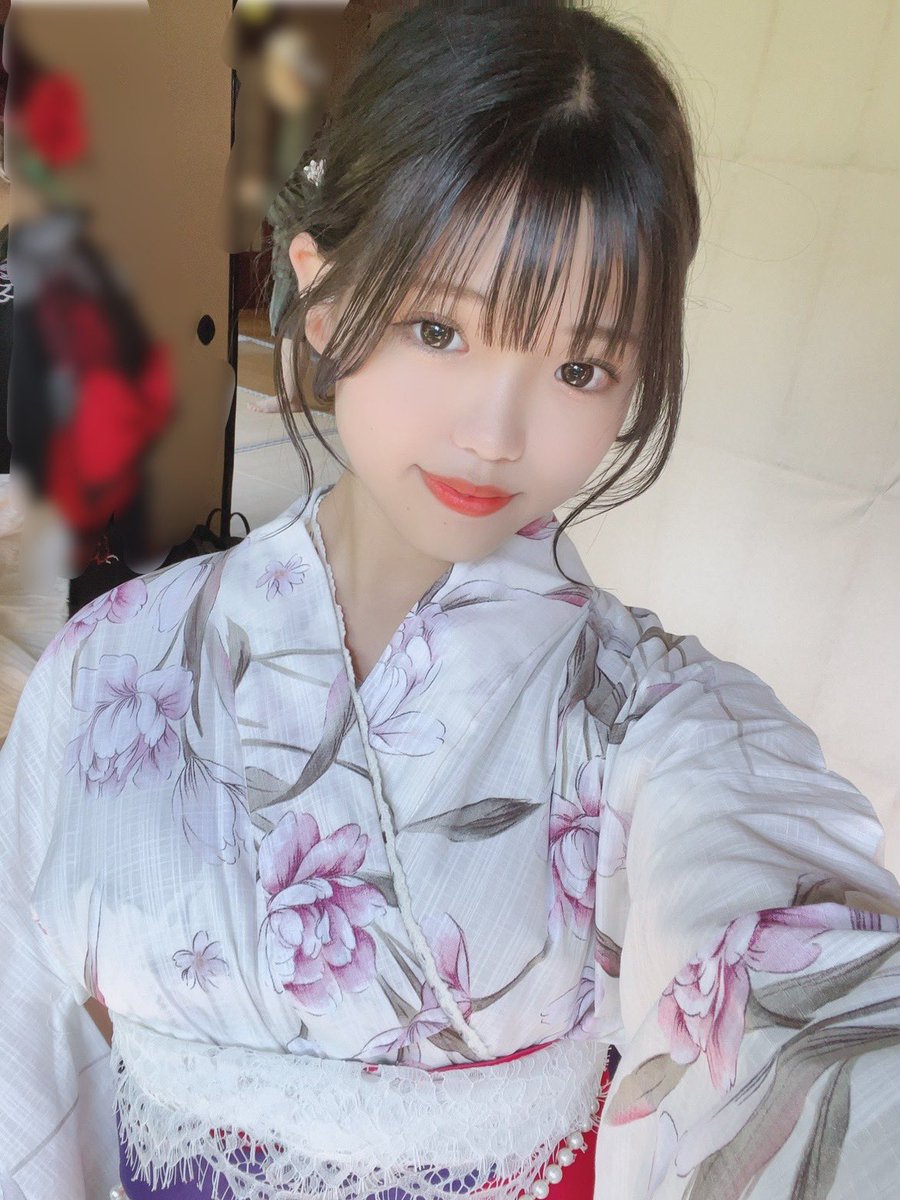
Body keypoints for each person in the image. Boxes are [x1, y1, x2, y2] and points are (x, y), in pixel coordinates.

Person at [2, 3, 900, 1198]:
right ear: (323, 298)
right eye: (441, 328)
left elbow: (802, 981)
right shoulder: (111, 664)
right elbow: (19, 1030)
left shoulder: (655, 724)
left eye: (580, 366)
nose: (497, 432)